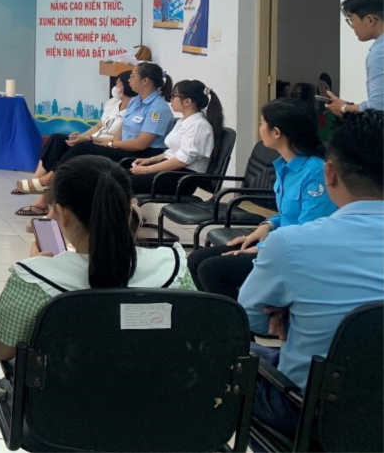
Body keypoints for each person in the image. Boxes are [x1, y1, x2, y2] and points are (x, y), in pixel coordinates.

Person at [239, 111, 384, 439]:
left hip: (313, 413)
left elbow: (250, 318)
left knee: (225, 360)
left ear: (329, 174)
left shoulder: (291, 244)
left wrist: (290, 315)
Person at [0, 156, 194, 363]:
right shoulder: (173, 269)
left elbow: (3, 350)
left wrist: (38, 266)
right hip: (157, 382)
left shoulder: (34, 279)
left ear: (61, 213)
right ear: (128, 210)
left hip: (64, 384)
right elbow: (195, 337)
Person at [188, 98, 335, 300]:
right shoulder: (285, 165)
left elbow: (310, 230)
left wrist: (262, 248)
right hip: (280, 242)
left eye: (262, 123)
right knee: (196, 259)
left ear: (277, 132)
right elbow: (288, 214)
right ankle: (224, 315)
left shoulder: (315, 172)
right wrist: (266, 226)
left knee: (211, 270)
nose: (260, 129)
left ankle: (238, 318)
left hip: (297, 254)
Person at [14, 62, 174, 217]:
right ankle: (46, 193)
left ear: (145, 81)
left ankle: (48, 181)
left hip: (141, 156)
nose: (130, 80)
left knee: (82, 148)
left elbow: (141, 144)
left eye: (133, 76)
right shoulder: (136, 102)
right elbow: (122, 128)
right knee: (59, 140)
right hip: (123, 149)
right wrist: (111, 145)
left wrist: (110, 143)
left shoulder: (157, 108)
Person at [14, 70, 134, 206]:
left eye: (118, 84)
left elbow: (117, 140)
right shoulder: (112, 103)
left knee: (77, 148)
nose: (115, 87)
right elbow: (99, 126)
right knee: (57, 139)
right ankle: (36, 180)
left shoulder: (133, 110)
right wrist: (81, 136)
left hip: (103, 145)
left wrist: (87, 139)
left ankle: (42, 195)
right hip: (91, 139)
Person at [126, 79, 223, 196]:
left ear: (187, 101)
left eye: (174, 95)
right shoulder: (183, 121)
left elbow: (181, 161)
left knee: (122, 183)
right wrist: (151, 160)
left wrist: (146, 170)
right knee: (118, 176)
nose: (171, 99)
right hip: (171, 171)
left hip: (181, 179)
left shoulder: (199, 125)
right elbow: (172, 151)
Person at [327, 0, 384, 116]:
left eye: (352, 20)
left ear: (370, 20)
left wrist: (344, 108)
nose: (352, 26)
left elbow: (379, 107)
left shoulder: (380, 54)